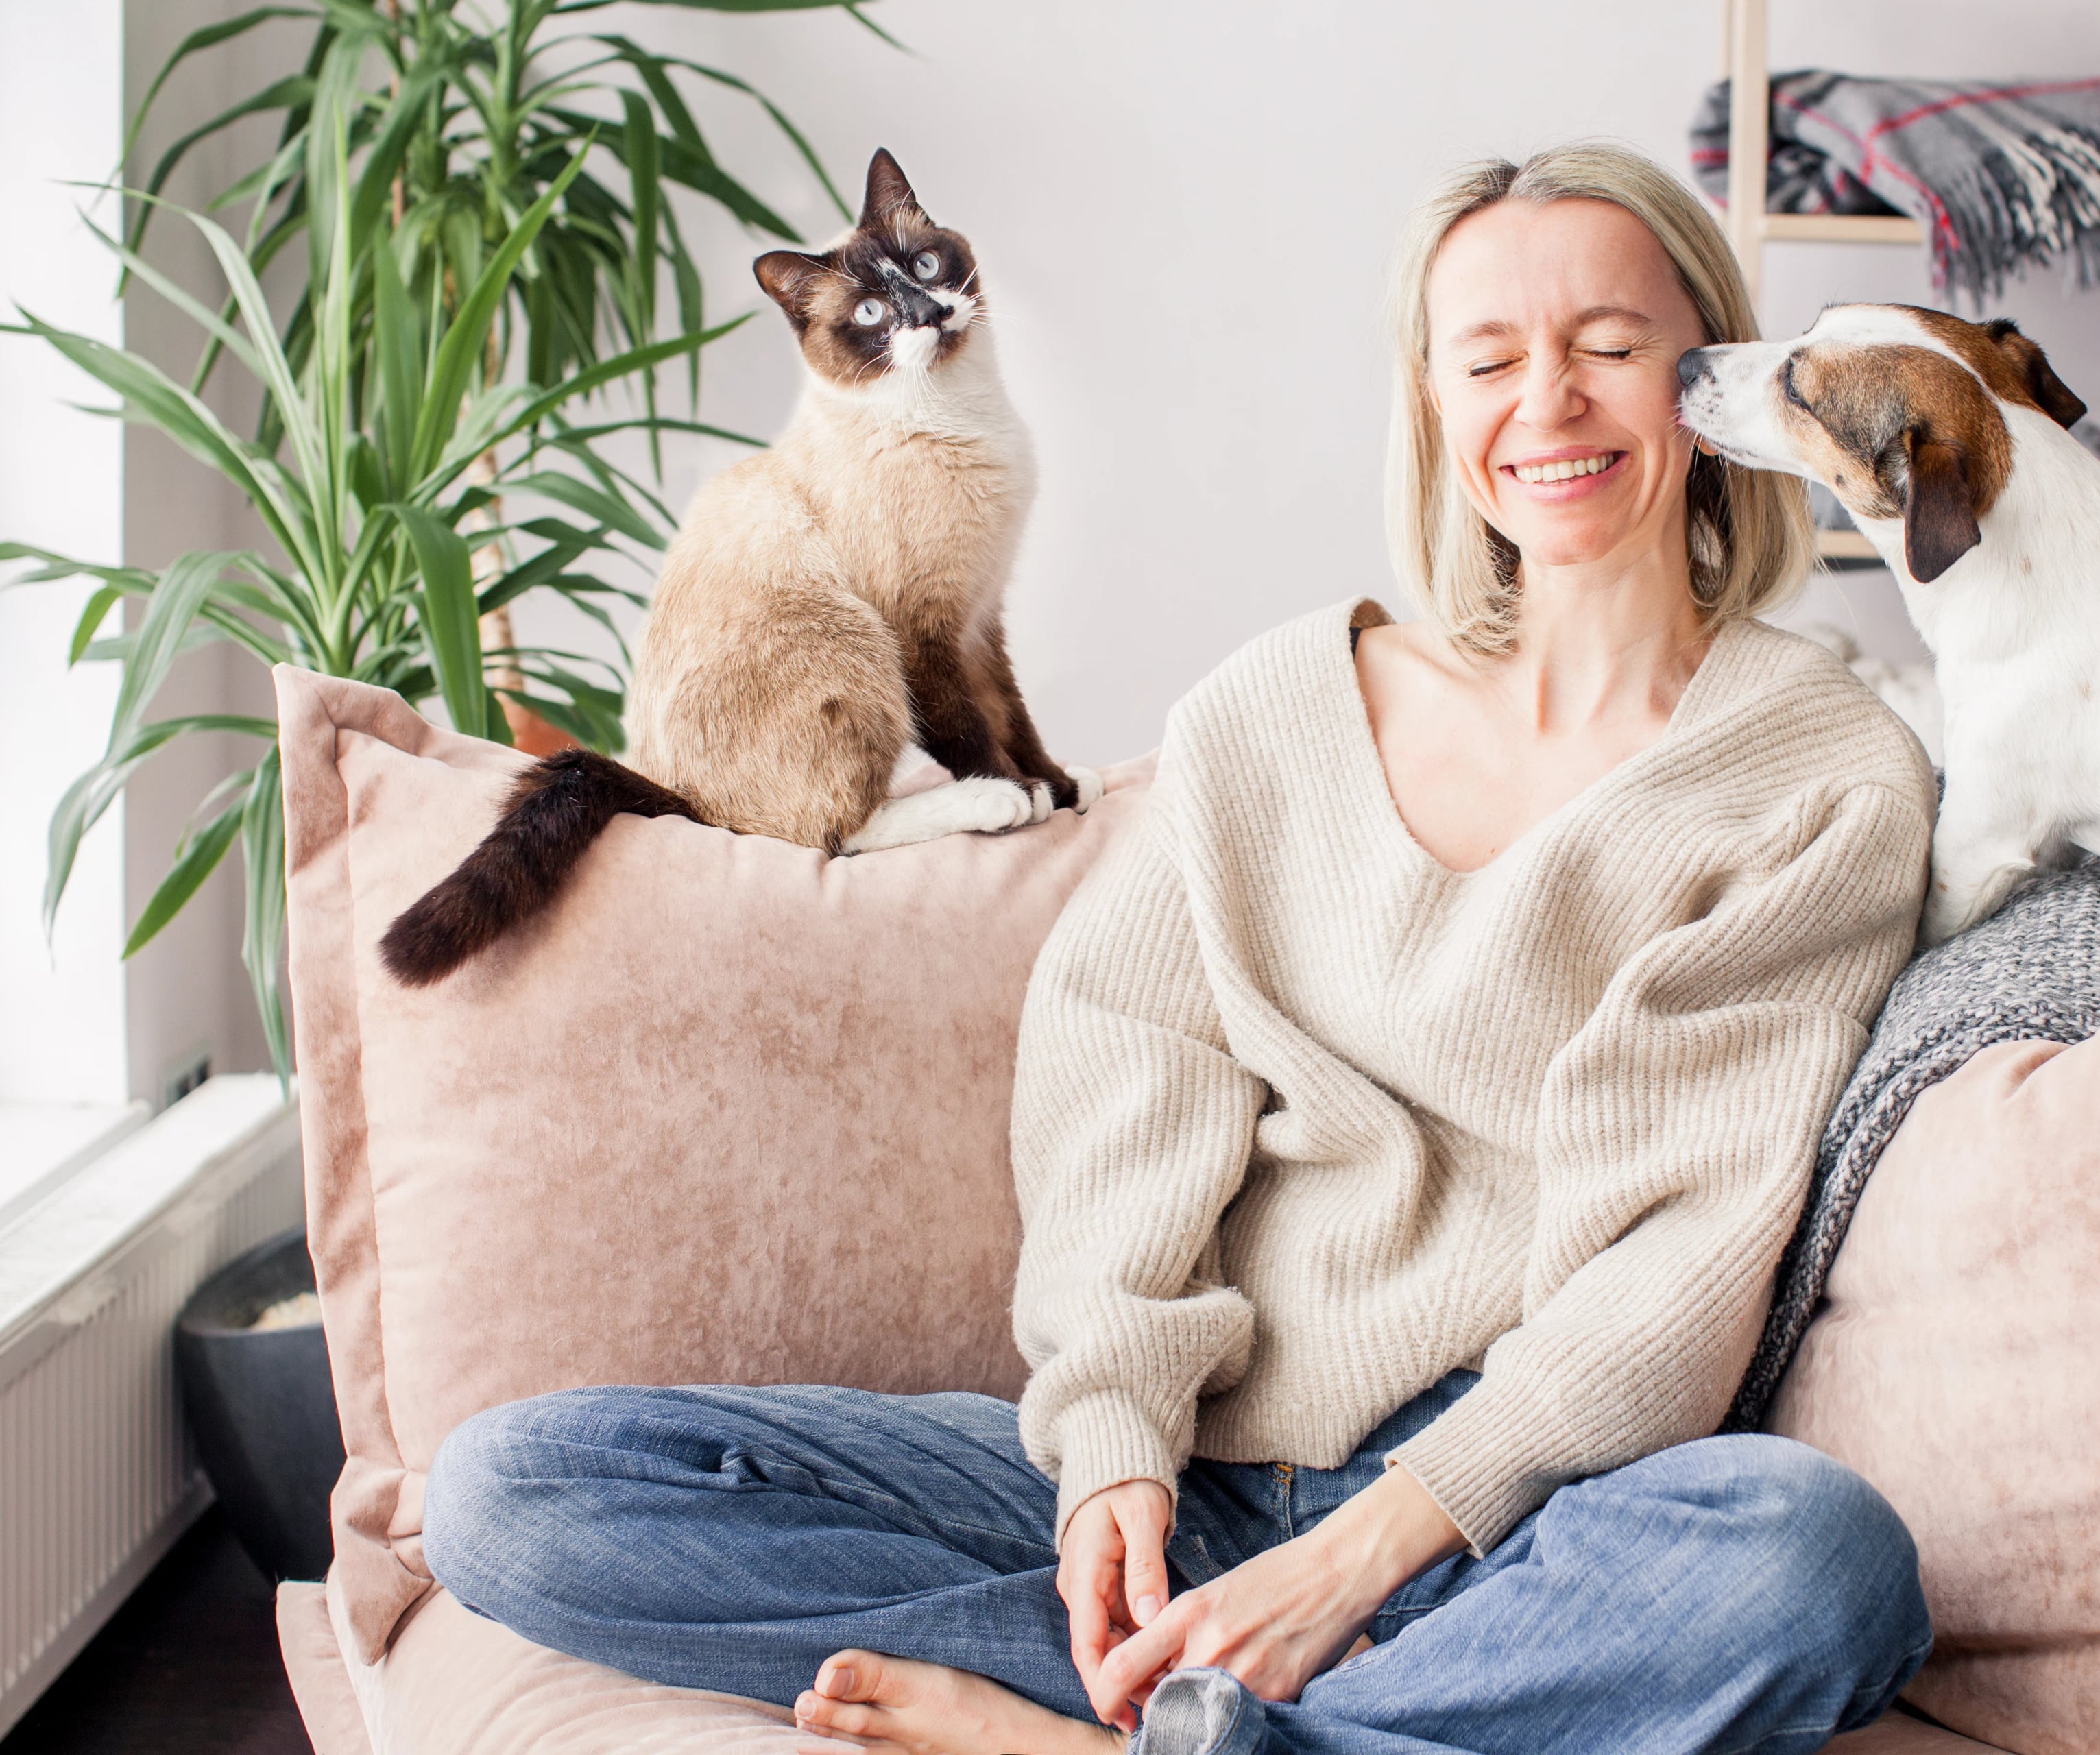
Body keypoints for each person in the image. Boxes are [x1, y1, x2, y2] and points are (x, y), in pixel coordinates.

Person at [420, 140, 1940, 1755]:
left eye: (1611, 346)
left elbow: (1683, 1255)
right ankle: (1220, 1710)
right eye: (1489, 358)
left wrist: (1362, 1554)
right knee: (510, 1491)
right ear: (1433, 405)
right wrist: (1116, 1454)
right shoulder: (1275, 710)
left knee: (1819, 1560)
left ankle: (1145, 1728)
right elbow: (1124, 1086)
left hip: (1499, 1525)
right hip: (1190, 1481)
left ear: (1702, 378)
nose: (1548, 402)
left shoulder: (1821, 773)